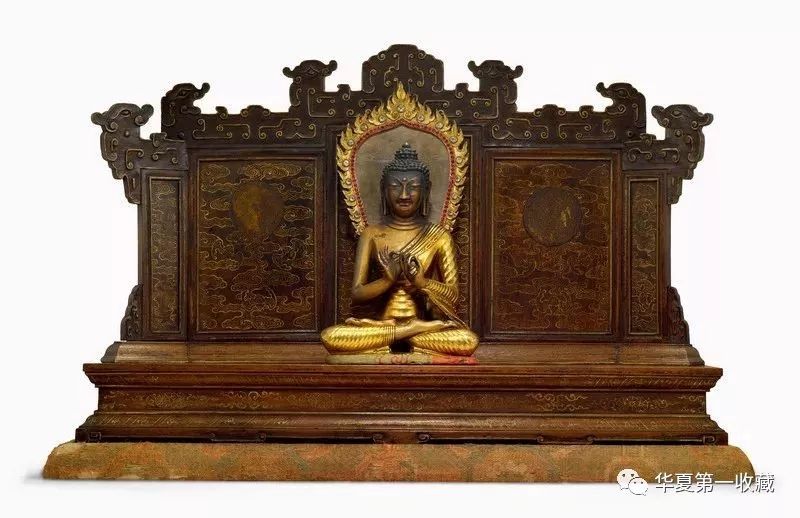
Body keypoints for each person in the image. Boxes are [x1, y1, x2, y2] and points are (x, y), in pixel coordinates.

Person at [321, 143, 478, 356]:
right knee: (331, 336)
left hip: (419, 324)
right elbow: (357, 293)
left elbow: (452, 294)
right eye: (395, 186)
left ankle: (401, 334)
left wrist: (421, 282)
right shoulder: (371, 234)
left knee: (467, 340)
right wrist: (387, 280)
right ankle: (407, 332)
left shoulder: (439, 236)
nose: (404, 195)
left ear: (426, 190)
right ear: (383, 189)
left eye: (413, 187)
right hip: (387, 324)